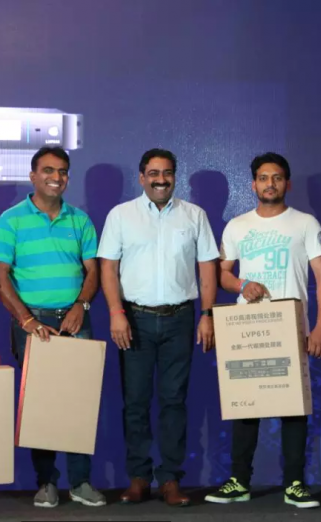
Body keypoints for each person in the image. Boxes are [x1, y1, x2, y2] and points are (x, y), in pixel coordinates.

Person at [205, 152, 321, 508]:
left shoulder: (305, 223)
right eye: (263, 178)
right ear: (253, 185)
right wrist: (242, 284)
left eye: (276, 177)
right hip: (247, 325)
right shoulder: (237, 226)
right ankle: (239, 481)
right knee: (245, 404)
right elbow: (222, 274)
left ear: (287, 184)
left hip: (290, 324)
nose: (270, 184)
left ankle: (295, 483)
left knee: (293, 406)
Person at [97, 148, 218, 507]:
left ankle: (170, 479)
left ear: (174, 177)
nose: (160, 180)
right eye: (153, 173)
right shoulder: (121, 215)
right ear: (141, 177)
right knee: (134, 402)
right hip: (134, 319)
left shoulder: (194, 215)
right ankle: (138, 477)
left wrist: (207, 314)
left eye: (167, 173)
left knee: (174, 402)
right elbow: (108, 268)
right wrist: (116, 312)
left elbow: (207, 267)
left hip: (180, 319)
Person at [0, 146, 105, 509]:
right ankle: (46, 483)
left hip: (75, 319)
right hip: (32, 323)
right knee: (40, 405)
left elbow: (93, 271)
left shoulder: (80, 220)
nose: (56, 177)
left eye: (63, 171)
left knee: (78, 401)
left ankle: (81, 482)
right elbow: (0, 277)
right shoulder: (11, 220)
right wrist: (26, 320)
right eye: (48, 170)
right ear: (33, 176)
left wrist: (81, 306)